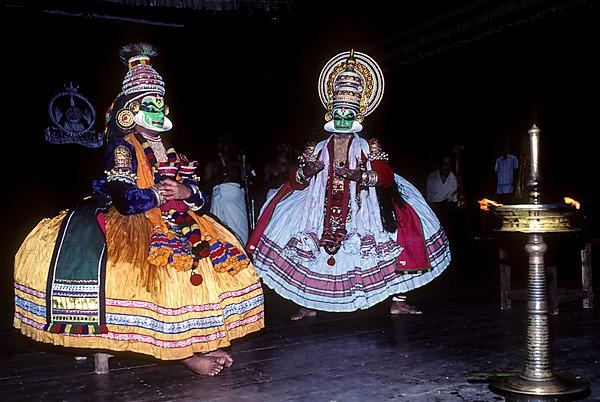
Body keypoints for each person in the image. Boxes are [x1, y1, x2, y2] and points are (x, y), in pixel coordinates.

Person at [13, 43, 264, 376]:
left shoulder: (169, 148)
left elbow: (199, 198)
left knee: (218, 262)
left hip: (178, 217)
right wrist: (160, 195)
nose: (159, 110)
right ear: (130, 111)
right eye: (150, 104)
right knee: (166, 275)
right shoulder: (123, 148)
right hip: (137, 221)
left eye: (161, 103)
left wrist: (186, 190)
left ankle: (202, 338)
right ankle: (183, 354)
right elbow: (125, 199)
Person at [247, 50, 451, 320]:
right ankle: (308, 302)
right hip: (318, 207)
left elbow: (385, 176)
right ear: (330, 115)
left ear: (357, 117)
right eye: (338, 114)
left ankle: (398, 300)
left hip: (362, 207)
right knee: (308, 249)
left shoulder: (369, 146)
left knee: (390, 242)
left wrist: (360, 176)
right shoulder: (316, 148)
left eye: (348, 115)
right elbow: (294, 179)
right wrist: (307, 171)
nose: (342, 120)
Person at [203, 134, 252, 244]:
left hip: (237, 205)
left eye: (231, 144)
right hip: (221, 202)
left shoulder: (239, 164)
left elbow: (250, 183)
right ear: (220, 146)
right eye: (226, 144)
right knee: (222, 234)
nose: (229, 147)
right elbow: (205, 187)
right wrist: (222, 177)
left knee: (241, 235)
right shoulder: (213, 164)